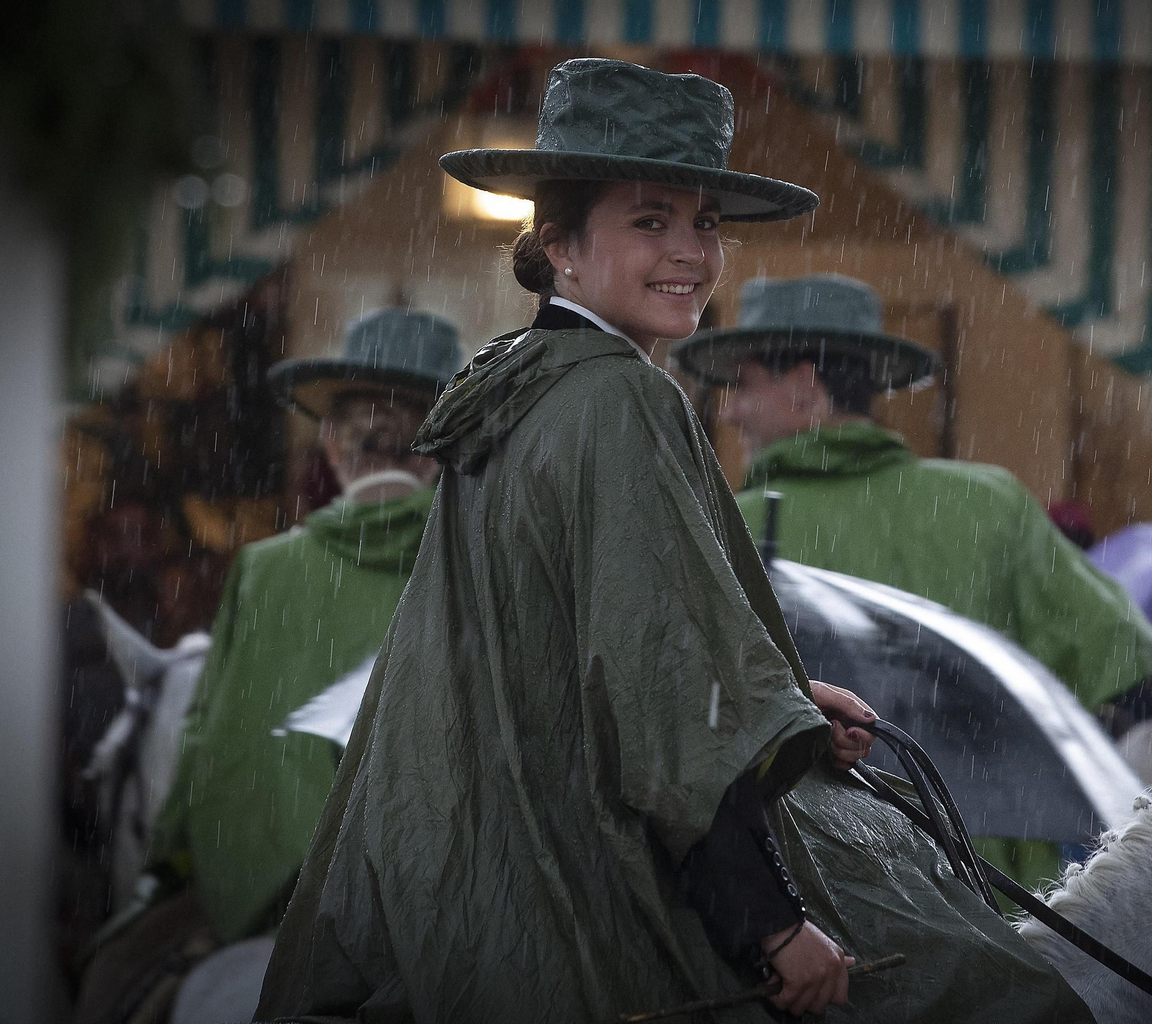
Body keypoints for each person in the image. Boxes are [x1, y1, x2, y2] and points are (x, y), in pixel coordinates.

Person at [256, 59, 1091, 1024]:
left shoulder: (520, 383)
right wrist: (769, 927)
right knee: (1002, 997)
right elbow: (658, 700)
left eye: (706, 222)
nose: (691, 252)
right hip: (587, 879)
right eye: (650, 220)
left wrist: (780, 693)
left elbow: (587, 643)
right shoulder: (620, 395)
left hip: (489, 864)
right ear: (559, 244)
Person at [673, 274, 1152, 888]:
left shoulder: (723, 525)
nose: (730, 410)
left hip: (802, 890)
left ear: (806, 388)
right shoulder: (992, 504)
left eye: (742, 386)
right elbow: (1120, 659)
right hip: (992, 886)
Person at [140, 309, 458, 991]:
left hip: (281, 919)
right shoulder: (477, 567)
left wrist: (167, 861)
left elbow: (211, 744)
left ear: (334, 449)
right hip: (438, 924)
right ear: (439, 452)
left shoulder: (265, 571)